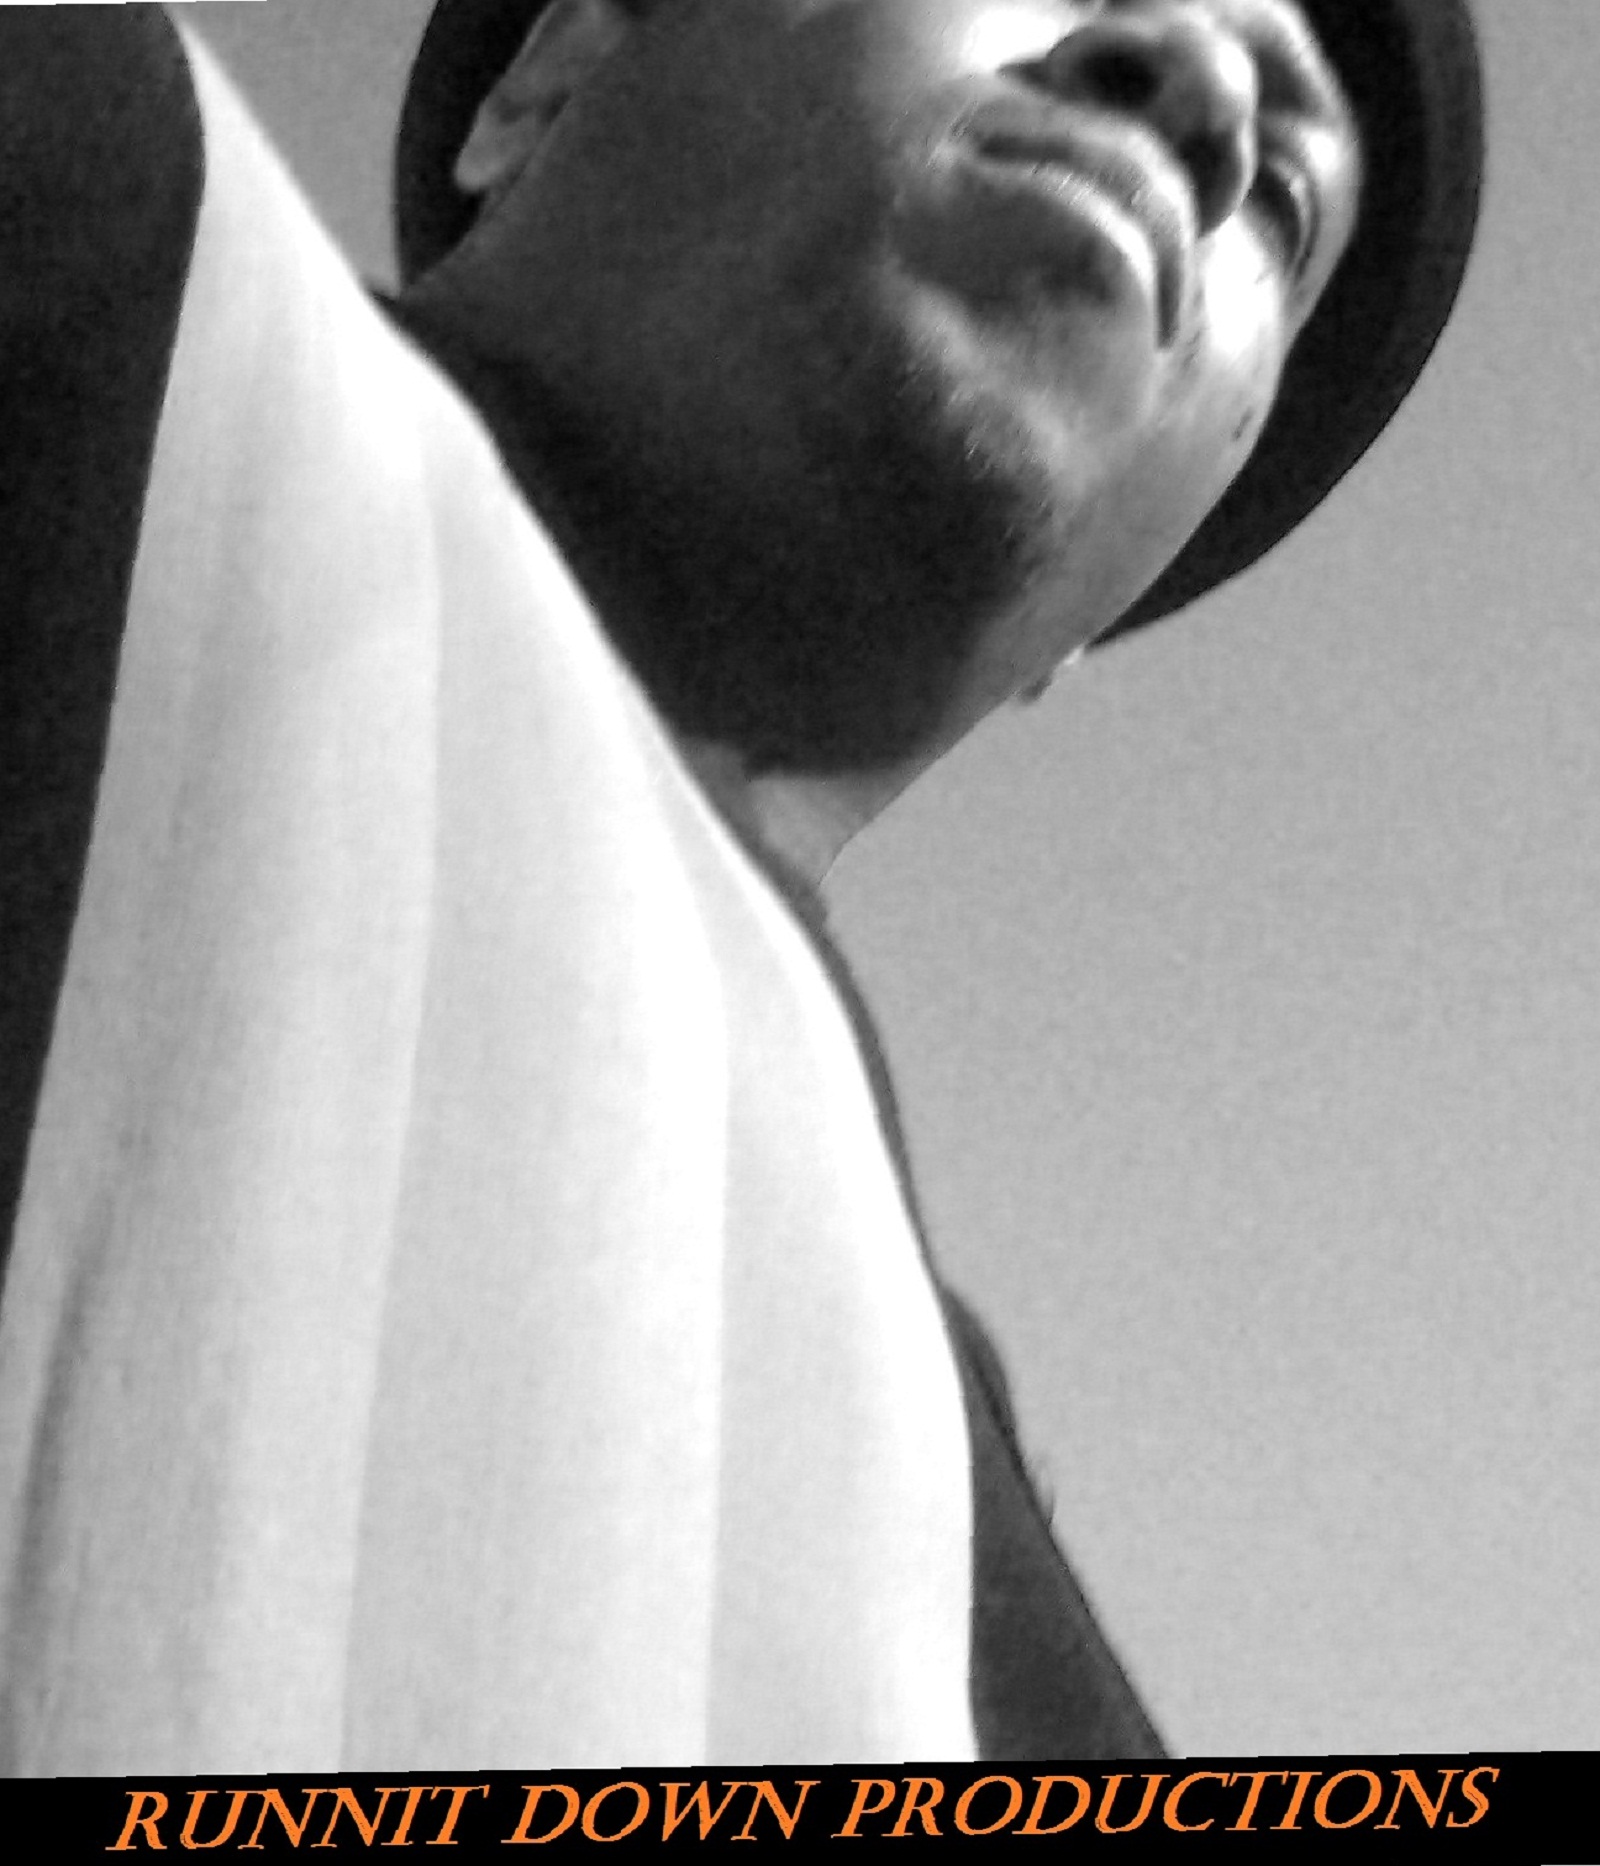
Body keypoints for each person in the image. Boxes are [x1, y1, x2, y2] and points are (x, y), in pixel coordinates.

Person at [0, 0, 1481, 1772]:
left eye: (1286, 211)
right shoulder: (93, 225)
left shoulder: (1008, 1653)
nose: (1208, 88)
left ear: (1107, 615)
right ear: (550, 69)